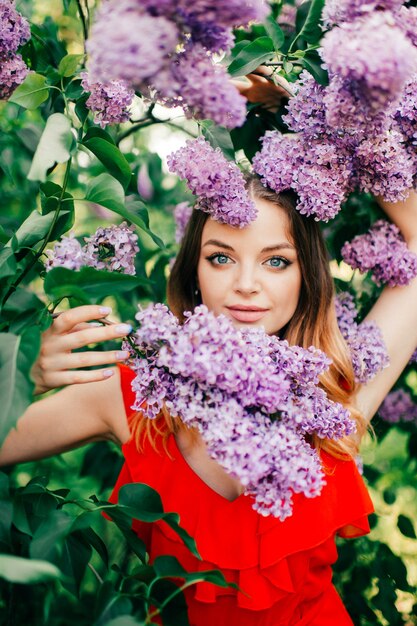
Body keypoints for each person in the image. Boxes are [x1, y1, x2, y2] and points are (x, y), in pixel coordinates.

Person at [1, 172, 417, 625]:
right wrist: (22, 375)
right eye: (221, 258)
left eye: (276, 262)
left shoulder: (335, 390)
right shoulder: (134, 392)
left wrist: (342, 128)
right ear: (194, 272)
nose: (246, 284)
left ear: (308, 277)